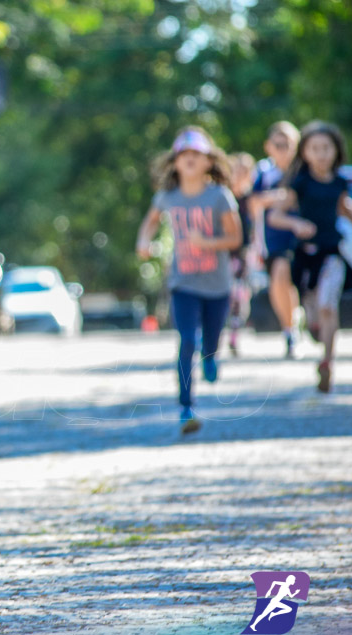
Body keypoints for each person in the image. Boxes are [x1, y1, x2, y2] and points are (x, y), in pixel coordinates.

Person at [136, 127, 242, 434]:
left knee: (209, 343)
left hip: (218, 285)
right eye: (184, 155)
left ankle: (211, 359)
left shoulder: (219, 196)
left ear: (209, 161)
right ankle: (186, 407)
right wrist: (143, 242)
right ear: (175, 162)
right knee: (187, 341)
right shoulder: (167, 197)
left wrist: (206, 242)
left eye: (196, 154)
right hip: (182, 282)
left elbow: (235, 237)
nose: (189, 159)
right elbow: (150, 222)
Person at [267, 121, 352, 393]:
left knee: (329, 305)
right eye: (315, 148)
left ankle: (327, 362)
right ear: (305, 152)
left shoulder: (340, 182)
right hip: (305, 255)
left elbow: (343, 209)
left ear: (336, 151)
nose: (322, 154)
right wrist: (296, 224)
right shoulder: (299, 183)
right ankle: (312, 325)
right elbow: (275, 216)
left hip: (331, 252)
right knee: (314, 305)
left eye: (327, 148)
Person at [248, 122, 303, 358]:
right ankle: (289, 329)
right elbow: (253, 202)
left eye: (288, 144)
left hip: (304, 235)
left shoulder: (303, 170)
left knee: (299, 283)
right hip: (274, 239)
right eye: (278, 145)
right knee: (279, 278)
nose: (283, 149)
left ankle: (300, 318)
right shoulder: (263, 171)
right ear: (269, 146)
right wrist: (280, 197)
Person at [226, 152, 256, 356]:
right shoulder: (223, 197)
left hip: (242, 254)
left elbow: (255, 228)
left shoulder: (250, 200)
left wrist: (256, 250)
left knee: (239, 296)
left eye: (244, 171)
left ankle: (234, 337)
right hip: (222, 253)